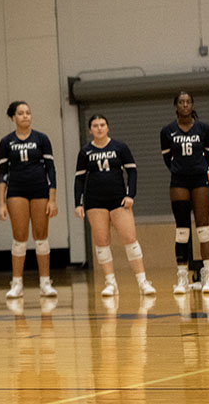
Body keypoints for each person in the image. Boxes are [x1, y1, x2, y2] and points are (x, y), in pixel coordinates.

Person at [75, 114, 155, 297]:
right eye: (95, 126)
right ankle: (110, 283)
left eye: (102, 125)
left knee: (129, 238)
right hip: (95, 201)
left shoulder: (120, 147)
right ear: (90, 130)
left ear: (108, 127)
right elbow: (79, 179)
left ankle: (143, 282)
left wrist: (130, 194)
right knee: (102, 241)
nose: (99, 128)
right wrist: (77, 203)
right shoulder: (85, 152)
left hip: (118, 200)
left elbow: (132, 171)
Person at [0, 101, 58, 299]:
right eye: (21, 113)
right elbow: (2, 174)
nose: (25, 116)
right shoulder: (6, 142)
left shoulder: (42, 139)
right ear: (13, 118)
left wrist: (52, 199)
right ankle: (16, 284)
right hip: (16, 190)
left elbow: (51, 170)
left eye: (28, 113)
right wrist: (1, 203)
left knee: (41, 236)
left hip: (39, 189)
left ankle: (45, 283)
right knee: (20, 236)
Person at [161, 91, 209, 294]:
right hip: (178, 182)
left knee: (203, 228)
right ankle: (182, 278)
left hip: (200, 180)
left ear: (192, 105)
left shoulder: (204, 129)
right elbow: (168, 159)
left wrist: (197, 168)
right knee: (182, 231)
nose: (185, 105)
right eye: (181, 102)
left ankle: (208, 275)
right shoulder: (167, 131)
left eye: (188, 102)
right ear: (176, 105)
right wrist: (181, 170)